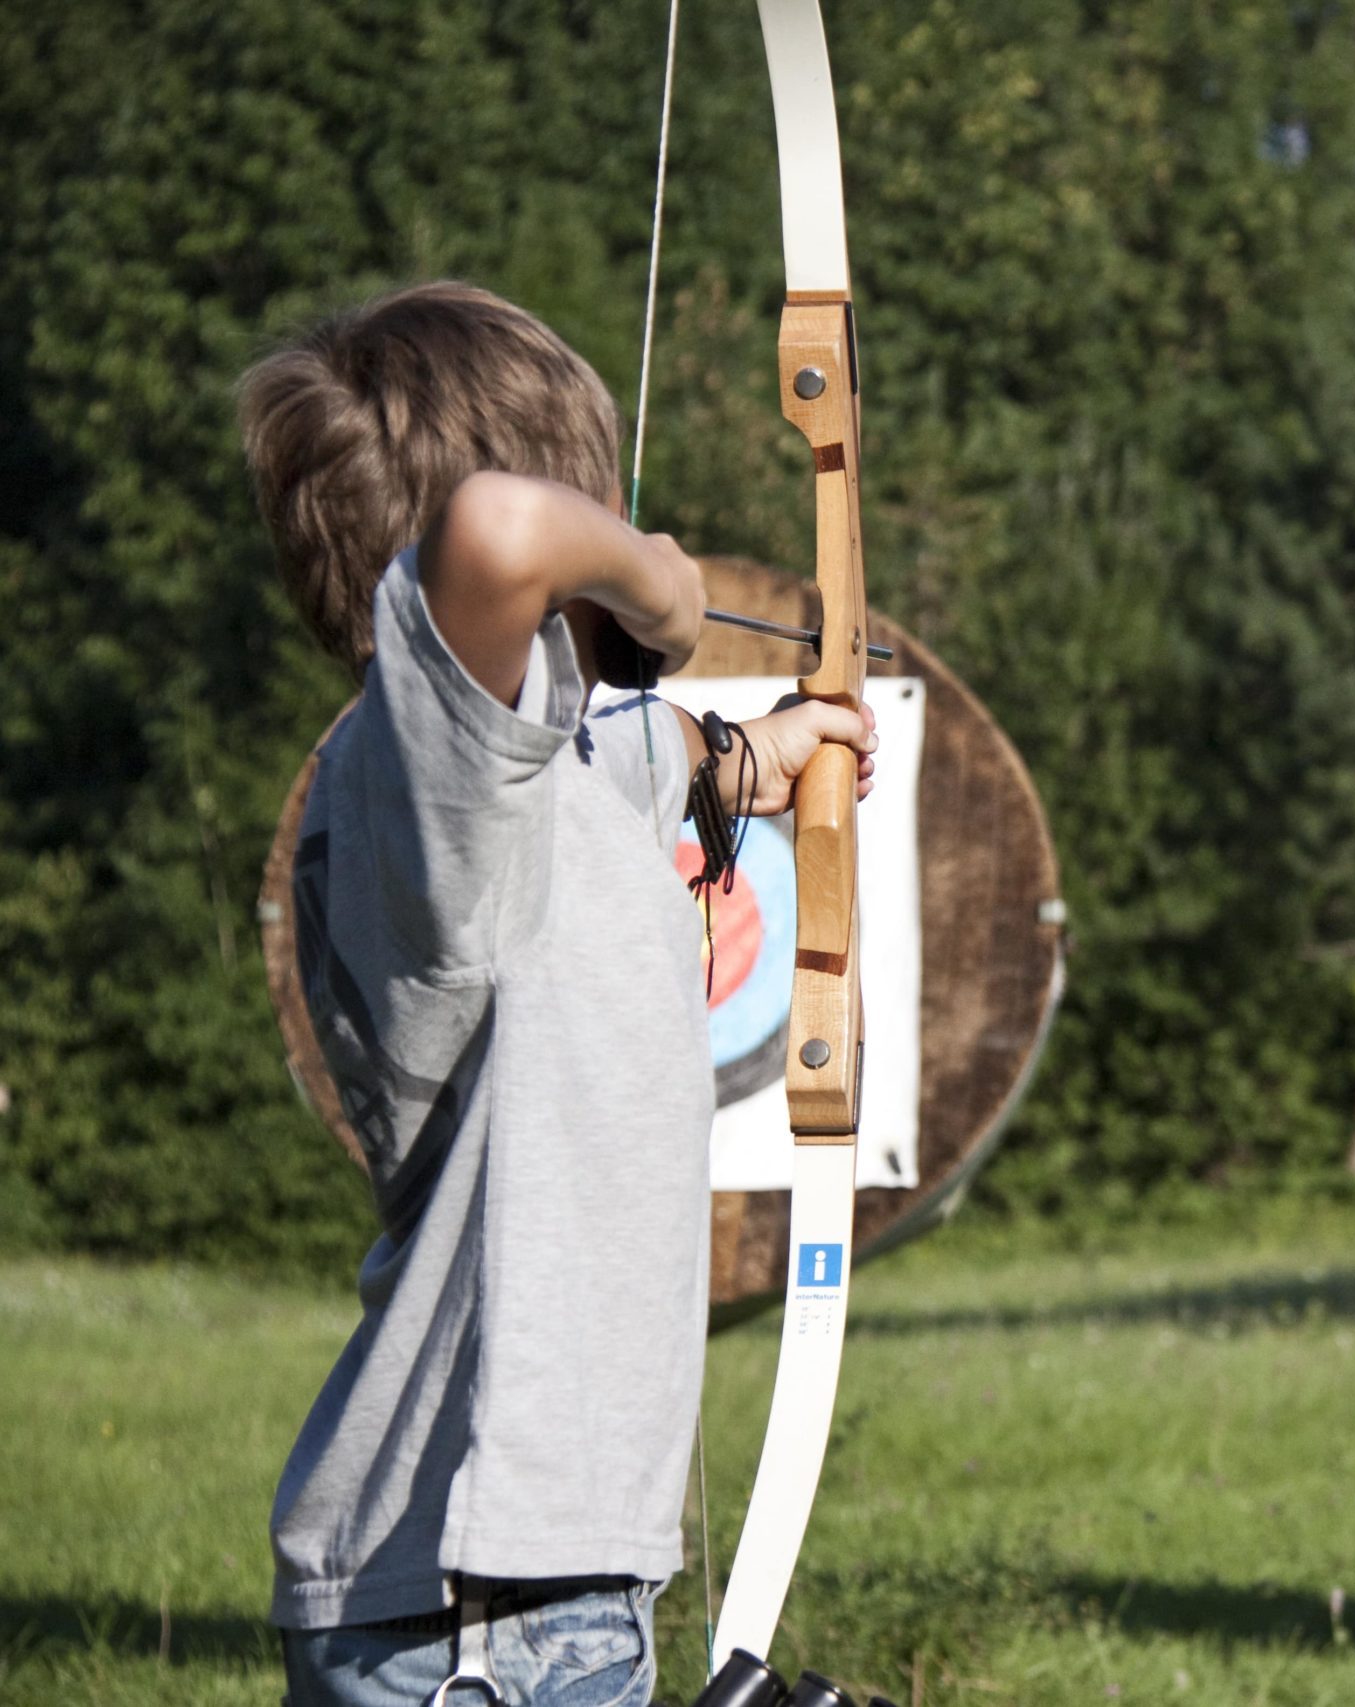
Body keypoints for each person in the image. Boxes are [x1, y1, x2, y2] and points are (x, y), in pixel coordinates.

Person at [238, 280, 874, 1707]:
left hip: (512, 1590)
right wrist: (662, 580)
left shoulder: (540, 781)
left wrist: (774, 753)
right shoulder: (437, 785)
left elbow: (652, 765)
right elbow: (497, 534)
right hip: (487, 1607)